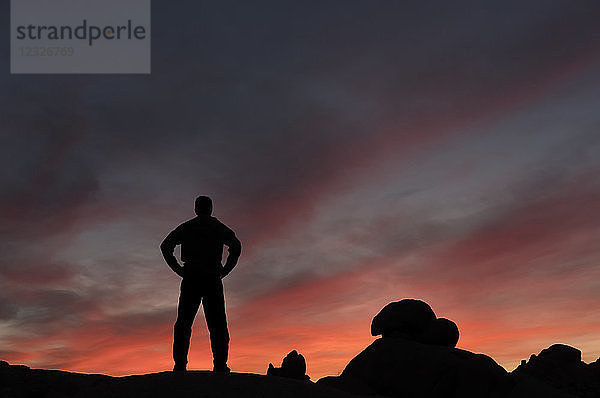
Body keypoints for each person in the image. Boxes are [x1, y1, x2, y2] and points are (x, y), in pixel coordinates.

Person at [160, 195, 241, 372]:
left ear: (197, 209)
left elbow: (165, 246)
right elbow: (236, 245)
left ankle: (181, 365)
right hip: (208, 278)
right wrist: (225, 270)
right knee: (215, 324)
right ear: (210, 208)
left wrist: (178, 269)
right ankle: (219, 365)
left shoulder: (188, 227)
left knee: (187, 323)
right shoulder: (216, 227)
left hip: (194, 277)